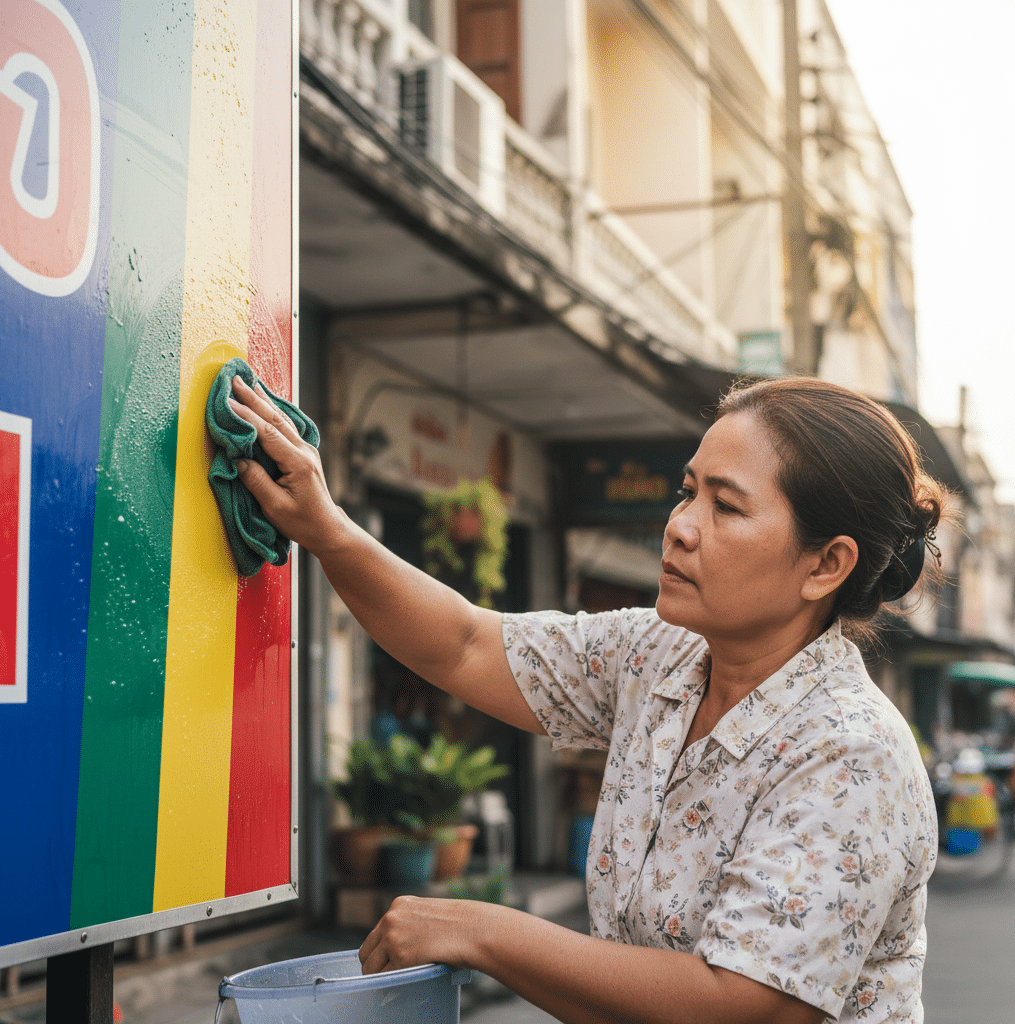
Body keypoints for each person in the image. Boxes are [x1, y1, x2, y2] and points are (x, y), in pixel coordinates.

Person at [230, 373, 943, 1024]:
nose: (681, 525)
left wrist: (483, 930)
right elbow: (466, 645)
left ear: (826, 564)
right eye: (687, 491)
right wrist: (324, 526)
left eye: (726, 506)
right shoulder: (658, 655)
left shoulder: (850, 749)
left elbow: (743, 1005)